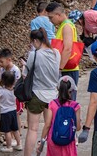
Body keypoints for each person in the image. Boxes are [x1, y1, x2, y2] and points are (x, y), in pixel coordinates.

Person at [24, 28, 61, 156]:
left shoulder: (34, 54)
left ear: (35, 40)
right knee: (50, 127)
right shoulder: (56, 53)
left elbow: (26, 75)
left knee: (33, 129)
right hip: (53, 95)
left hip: (37, 95)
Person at [37, 76, 81, 156]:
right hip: (69, 140)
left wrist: (42, 141)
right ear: (72, 91)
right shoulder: (76, 106)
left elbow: (47, 125)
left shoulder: (52, 104)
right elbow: (77, 127)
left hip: (54, 139)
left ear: (58, 89)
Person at [46, 3, 81, 98]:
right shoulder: (64, 25)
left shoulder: (66, 26)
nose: (50, 20)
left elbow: (68, 49)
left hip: (68, 68)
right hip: (66, 68)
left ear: (58, 15)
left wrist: (59, 68)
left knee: (68, 100)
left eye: (51, 17)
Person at [0, 71, 23, 152]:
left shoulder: (2, 91)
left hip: (5, 113)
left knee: (7, 131)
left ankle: (9, 147)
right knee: (15, 129)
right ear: (14, 81)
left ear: (3, 81)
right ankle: (19, 144)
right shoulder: (15, 90)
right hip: (13, 111)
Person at [0, 49, 23, 139]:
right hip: (6, 98)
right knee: (9, 116)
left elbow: (17, 84)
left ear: (9, 60)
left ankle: (18, 134)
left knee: (16, 115)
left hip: (14, 97)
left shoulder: (15, 70)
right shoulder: (2, 70)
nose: (0, 64)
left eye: (1, 62)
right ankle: (10, 136)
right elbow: (0, 81)